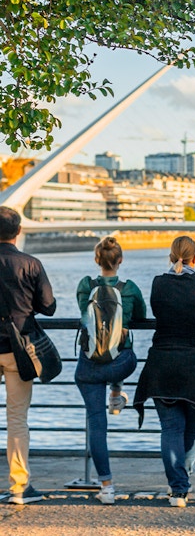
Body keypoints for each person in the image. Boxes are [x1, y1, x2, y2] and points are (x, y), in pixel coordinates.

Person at [134, 236, 195, 508]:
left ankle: (178, 489)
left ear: (170, 256)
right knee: (192, 425)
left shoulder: (158, 283)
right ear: (194, 257)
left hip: (162, 362)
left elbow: (157, 311)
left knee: (170, 429)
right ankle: (182, 482)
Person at [75, 236, 146, 504]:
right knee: (131, 358)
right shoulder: (129, 289)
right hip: (119, 363)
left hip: (89, 365)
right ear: (120, 261)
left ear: (96, 260)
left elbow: (84, 312)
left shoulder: (85, 285)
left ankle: (106, 487)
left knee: (97, 425)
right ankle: (116, 391)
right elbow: (140, 315)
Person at [0, 206, 56, 504]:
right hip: (18, 349)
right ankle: (19, 487)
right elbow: (49, 307)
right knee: (17, 418)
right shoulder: (30, 264)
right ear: (18, 231)